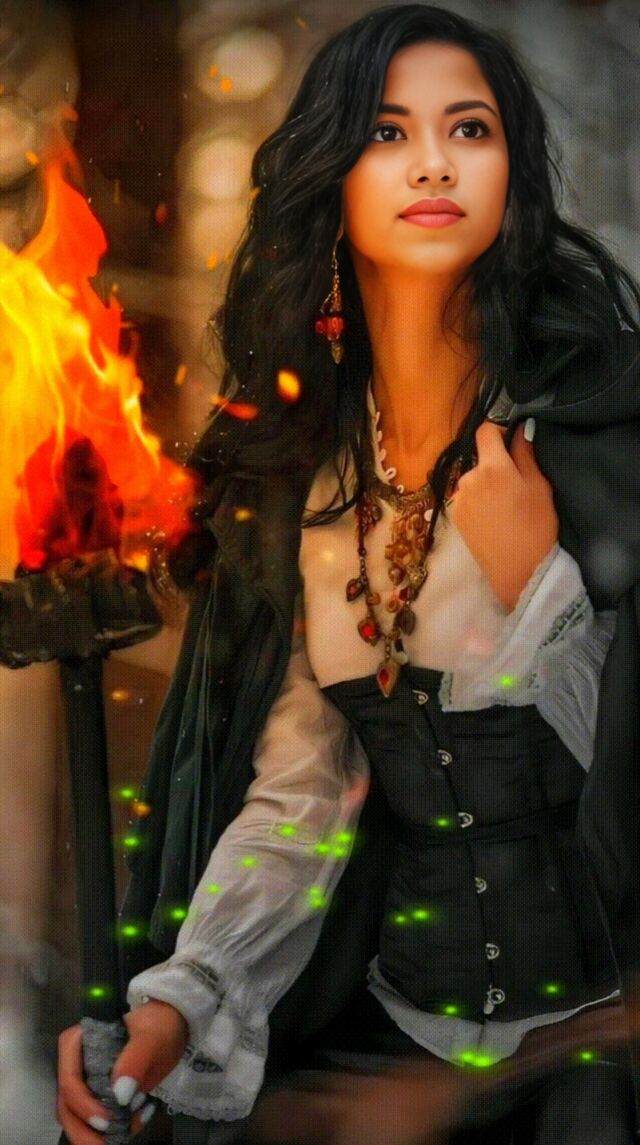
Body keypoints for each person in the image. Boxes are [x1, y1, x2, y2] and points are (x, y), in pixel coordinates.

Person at [56, 4, 640, 1144]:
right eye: (387, 131)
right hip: (390, 1053)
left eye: (468, 129)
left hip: (601, 1055)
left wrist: (543, 589)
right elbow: (303, 803)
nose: (433, 162)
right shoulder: (302, 488)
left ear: (512, 172)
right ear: (332, 176)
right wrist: (182, 1001)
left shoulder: (595, 439)